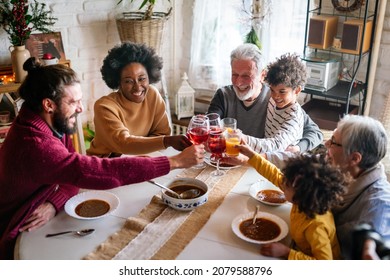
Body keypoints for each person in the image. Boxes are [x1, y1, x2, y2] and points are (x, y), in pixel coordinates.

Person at [0, 57, 205, 259]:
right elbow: (95, 172)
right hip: (15, 227)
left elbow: (72, 177)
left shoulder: (54, 125)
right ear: (48, 105)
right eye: (74, 102)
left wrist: (54, 202)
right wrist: (175, 162)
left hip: (42, 211)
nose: (81, 109)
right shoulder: (35, 144)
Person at [237, 144, 347, 260]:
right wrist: (252, 155)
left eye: (287, 185)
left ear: (301, 194)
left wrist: (287, 252)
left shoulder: (316, 225)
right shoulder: (304, 198)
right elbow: (274, 174)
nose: (283, 183)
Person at [207, 43, 323, 153]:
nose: (238, 82)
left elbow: (315, 133)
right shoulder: (223, 95)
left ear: (262, 75)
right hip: (231, 159)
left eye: (246, 76)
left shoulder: (276, 98)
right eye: (235, 75)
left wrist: (298, 148)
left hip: (260, 163)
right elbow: (211, 127)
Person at [87, 42, 192, 157]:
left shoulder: (152, 95)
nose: (137, 87)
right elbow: (123, 143)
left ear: (150, 76)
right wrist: (166, 141)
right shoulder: (104, 107)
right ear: (119, 82)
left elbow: (162, 132)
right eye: (128, 81)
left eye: (142, 79)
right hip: (105, 165)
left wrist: (141, 150)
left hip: (141, 160)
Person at [324, 115, 390, 258]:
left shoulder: (379, 206)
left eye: (333, 142)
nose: (326, 143)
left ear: (354, 158)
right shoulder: (342, 169)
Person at [246, 53, 307, 152]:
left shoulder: (294, 118)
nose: (276, 96)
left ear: (296, 91)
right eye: (272, 90)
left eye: (282, 92)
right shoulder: (272, 101)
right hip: (268, 157)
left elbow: (276, 145)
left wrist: (243, 139)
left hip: (283, 163)